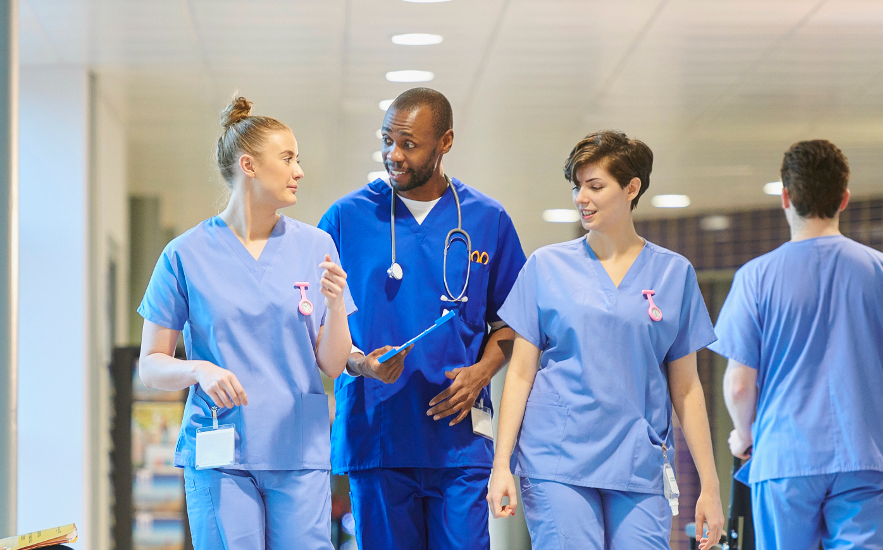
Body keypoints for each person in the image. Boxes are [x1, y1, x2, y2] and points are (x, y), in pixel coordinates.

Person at [486, 130, 726, 549]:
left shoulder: (674, 274)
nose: (582, 197)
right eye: (577, 186)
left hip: (638, 462)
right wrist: (501, 464)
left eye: (595, 186)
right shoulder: (547, 266)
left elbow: (686, 388)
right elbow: (521, 374)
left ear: (631, 188)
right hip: (557, 458)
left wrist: (710, 485)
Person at [136, 96, 354, 550]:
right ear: (249, 165)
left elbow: (332, 365)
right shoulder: (184, 254)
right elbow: (151, 365)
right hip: (221, 453)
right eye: (288, 158)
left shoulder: (316, 246)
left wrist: (335, 308)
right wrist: (198, 369)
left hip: (297, 453)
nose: (299, 171)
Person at [318, 87, 526, 550]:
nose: (394, 155)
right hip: (377, 436)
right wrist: (360, 363)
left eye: (408, 144)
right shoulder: (345, 219)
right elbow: (317, 326)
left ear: (445, 142)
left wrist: (482, 371)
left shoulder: (488, 219)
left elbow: (514, 324)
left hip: (460, 441)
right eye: (387, 140)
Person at [710, 140, 883, 548]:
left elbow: (739, 384)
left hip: (784, 459)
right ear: (844, 199)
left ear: (786, 196)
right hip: (871, 456)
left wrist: (743, 435)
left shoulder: (755, 278)